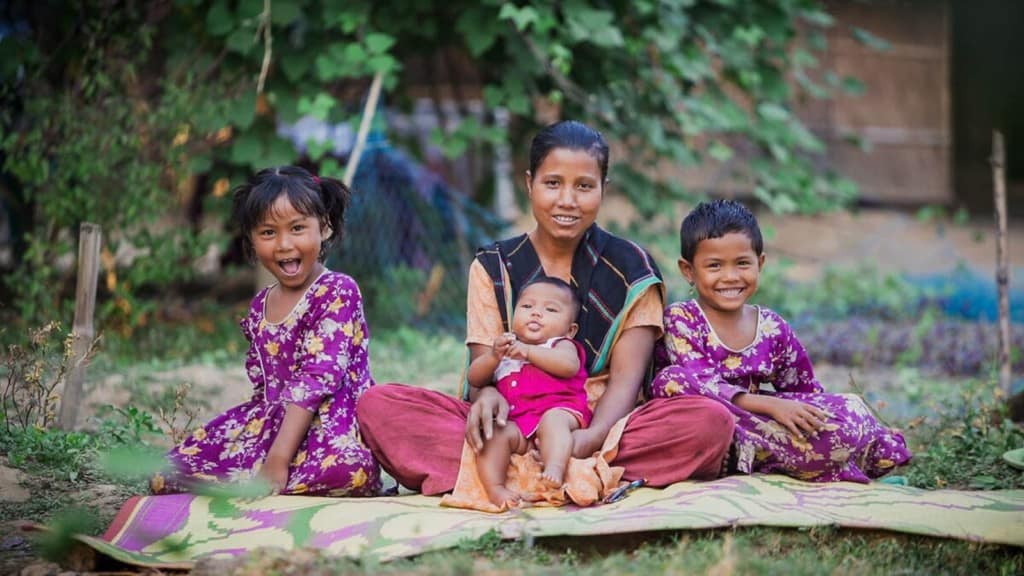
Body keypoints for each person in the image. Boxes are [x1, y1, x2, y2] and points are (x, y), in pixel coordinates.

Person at [358, 121, 735, 496]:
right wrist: (486, 398)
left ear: (603, 189)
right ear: (529, 184)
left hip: (601, 428)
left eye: (584, 186)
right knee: (379, 406)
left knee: (709, 421)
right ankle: (554, 474)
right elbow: (483, 369)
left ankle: (510, 477)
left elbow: (626, 381)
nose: (567, 200)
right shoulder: (494, 265)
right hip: (511, 426)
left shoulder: (631, 267)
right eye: (552, 183)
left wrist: (589, 438)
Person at [151, 166, 380, 497]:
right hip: (276, 424)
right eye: (268, 233)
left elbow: (317, 379)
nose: (284, 245)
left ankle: (271, 477)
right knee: (166, 474)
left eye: (298, 228)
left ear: (325, 227)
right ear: (251, 240)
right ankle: (263, 477)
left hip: (332, 424)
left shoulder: (338, 289)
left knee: (349, 471)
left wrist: (278, 458)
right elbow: (264, 387)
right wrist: (262, 445)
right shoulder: (260, 305)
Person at [650, 199, 912, 483]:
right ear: (688, 270)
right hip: (700, 426)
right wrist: (771, 405)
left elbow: (807, 394)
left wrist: (817, 415)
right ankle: (807, 460)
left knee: (849, 411)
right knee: (670, 379)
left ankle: (757, 458)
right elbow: (694, 385)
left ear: (760, 263)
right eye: (714, 266)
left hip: (758, 430)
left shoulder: (773, 328)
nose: (730, 277)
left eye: (742, 264)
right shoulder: (681, 318)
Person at [468, 277, 591, 507]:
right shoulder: (506, 349)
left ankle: (554, 466)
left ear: (570, 329)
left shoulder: (560, 345)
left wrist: (528, 352)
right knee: (494, 432)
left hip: (560, 410)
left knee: (553, 421)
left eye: (551, 309)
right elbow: (474, 378)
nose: (536, 313)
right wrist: (494, 357)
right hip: (519, 423)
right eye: (527, 307)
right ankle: (495, 488)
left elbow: (569, 365)